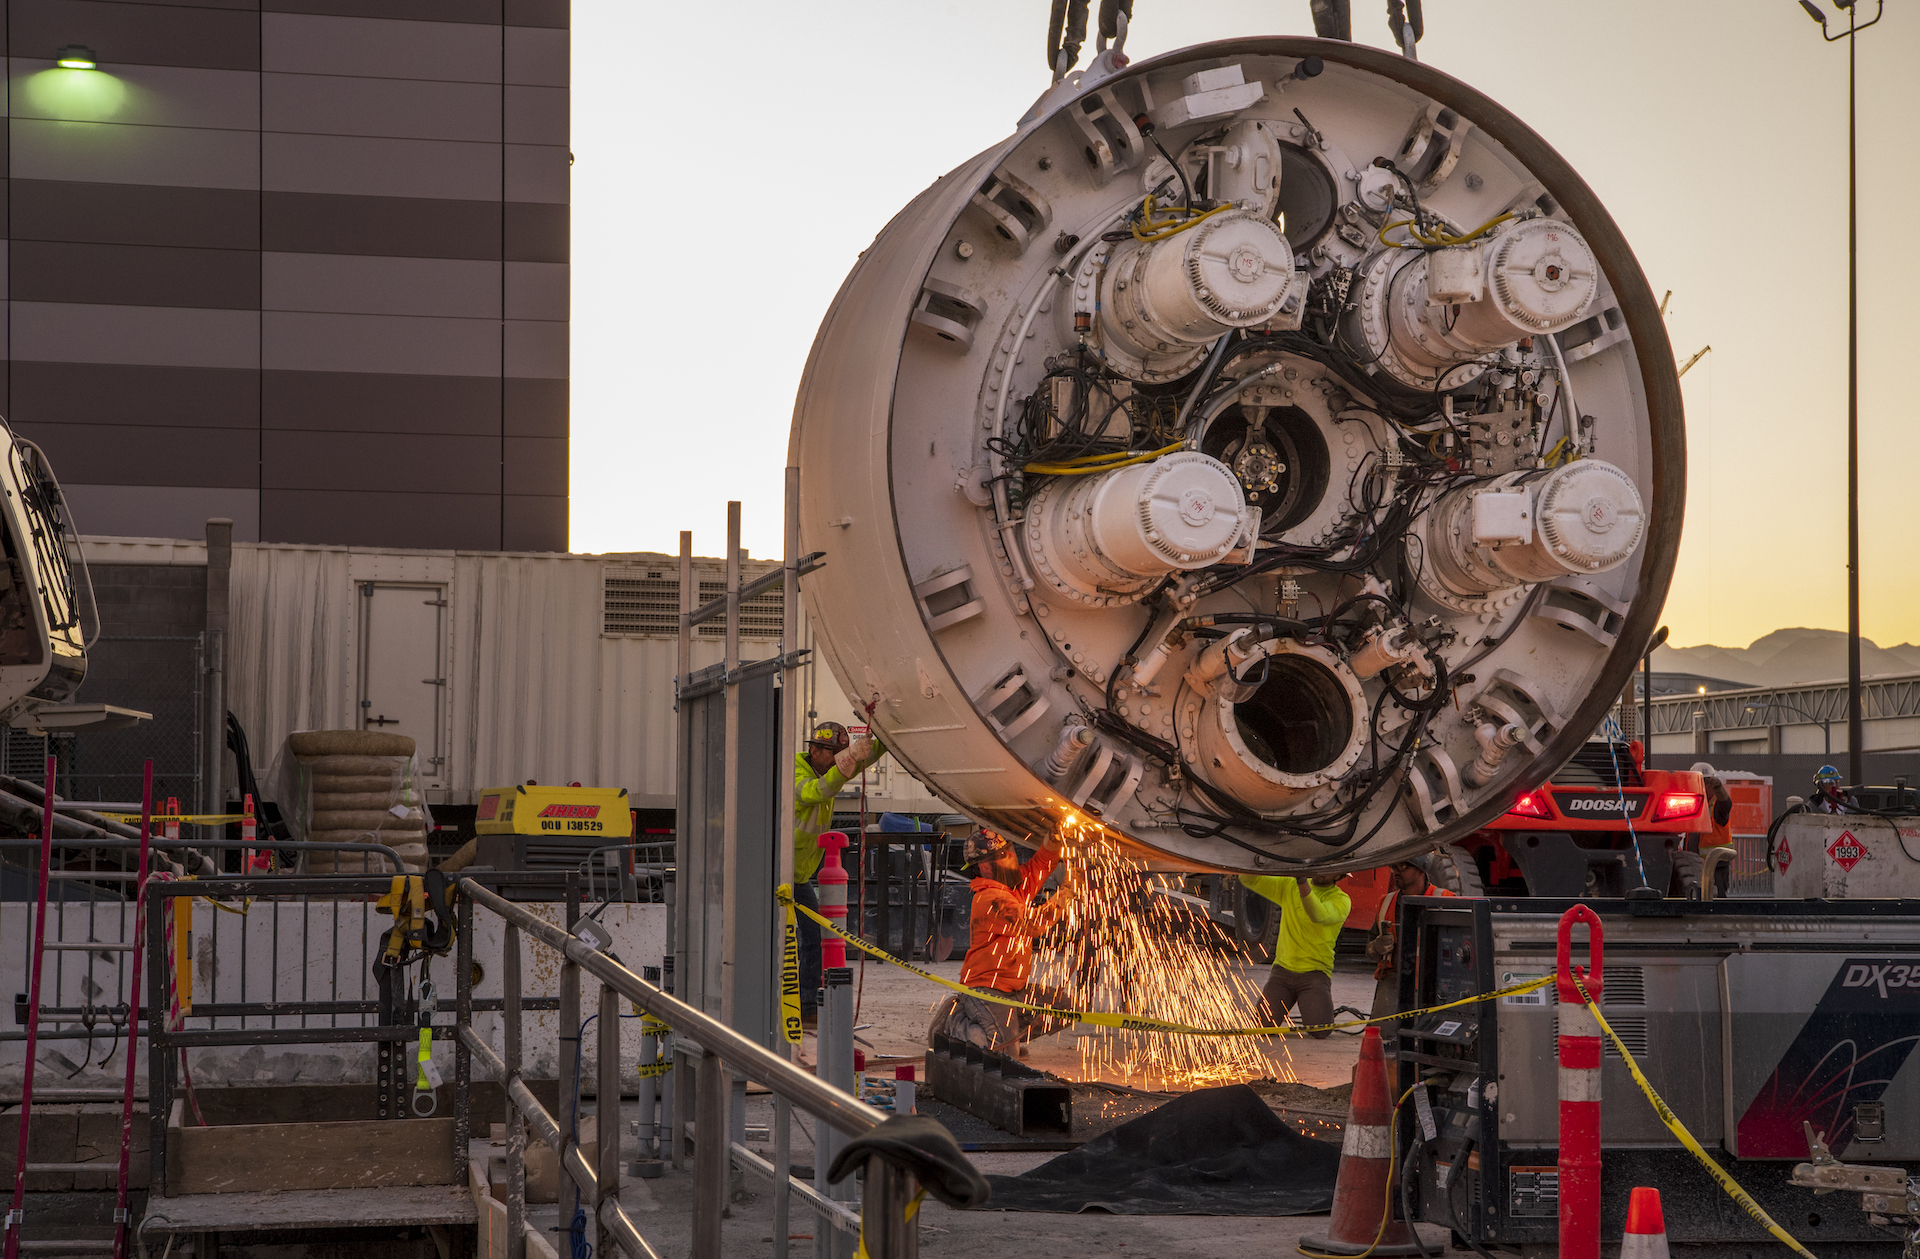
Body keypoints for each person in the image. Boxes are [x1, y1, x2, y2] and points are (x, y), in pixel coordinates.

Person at [929, 828, 1079, 1056]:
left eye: (1009, 852)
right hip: (986, 990)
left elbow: (1039, 867)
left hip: (1013, 988)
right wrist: (1063, 898)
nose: (1012, 858)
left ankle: (1006, 1039)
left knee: (1066, 1009)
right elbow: (1032, 924)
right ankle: (953, 1025)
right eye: (1004, 855)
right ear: (986, 866)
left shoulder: (1011, 890)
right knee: (1006, 1056)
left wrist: (1053, 840)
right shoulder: (990, 899)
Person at [793, 720, 885, 1026]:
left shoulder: (826, 770)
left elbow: (857, 763)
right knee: (798, 938)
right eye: (831, 752)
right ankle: (800, 1004)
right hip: (777, 872)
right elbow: (816, 792)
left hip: (796, 874)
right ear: (814, 749)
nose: (836, 759)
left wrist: (884, 740)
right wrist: (849, 758)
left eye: (839, 753)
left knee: (813, 936)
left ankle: (806, 1007)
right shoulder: (797, 774)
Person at [1238, 871, 1351, 1039]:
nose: (1322, 872)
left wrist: (1302, 881)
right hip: (1282, 974)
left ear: (1338, 875)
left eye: (1329, 870)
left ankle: (1312, 1001)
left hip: (1314, 975)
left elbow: (1317, 914)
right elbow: (1248, 879)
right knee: (1261, 1028)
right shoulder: (1289, 886)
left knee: (1320, 1031)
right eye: (1319, 867)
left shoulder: (1341, 900)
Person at [1365, 855, 1456, 1029]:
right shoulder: (1386, 903)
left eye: (1403, 867)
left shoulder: (1445, 899)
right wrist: (1377, 946)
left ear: (1421, 869)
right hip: (1394, 979)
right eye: (1394, 867)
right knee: (1380, 1033)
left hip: (1433, 980)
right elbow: (1369, 951)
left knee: (1432, 1033)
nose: (1396, 872)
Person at [1673, 762, 1736, 897]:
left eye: (1703, 783)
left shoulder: (1716, 805)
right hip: (1694, 865)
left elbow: (1726, 803)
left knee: (1715, 901)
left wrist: (1719, 787)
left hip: (1715, 866)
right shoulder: (1695, 805)